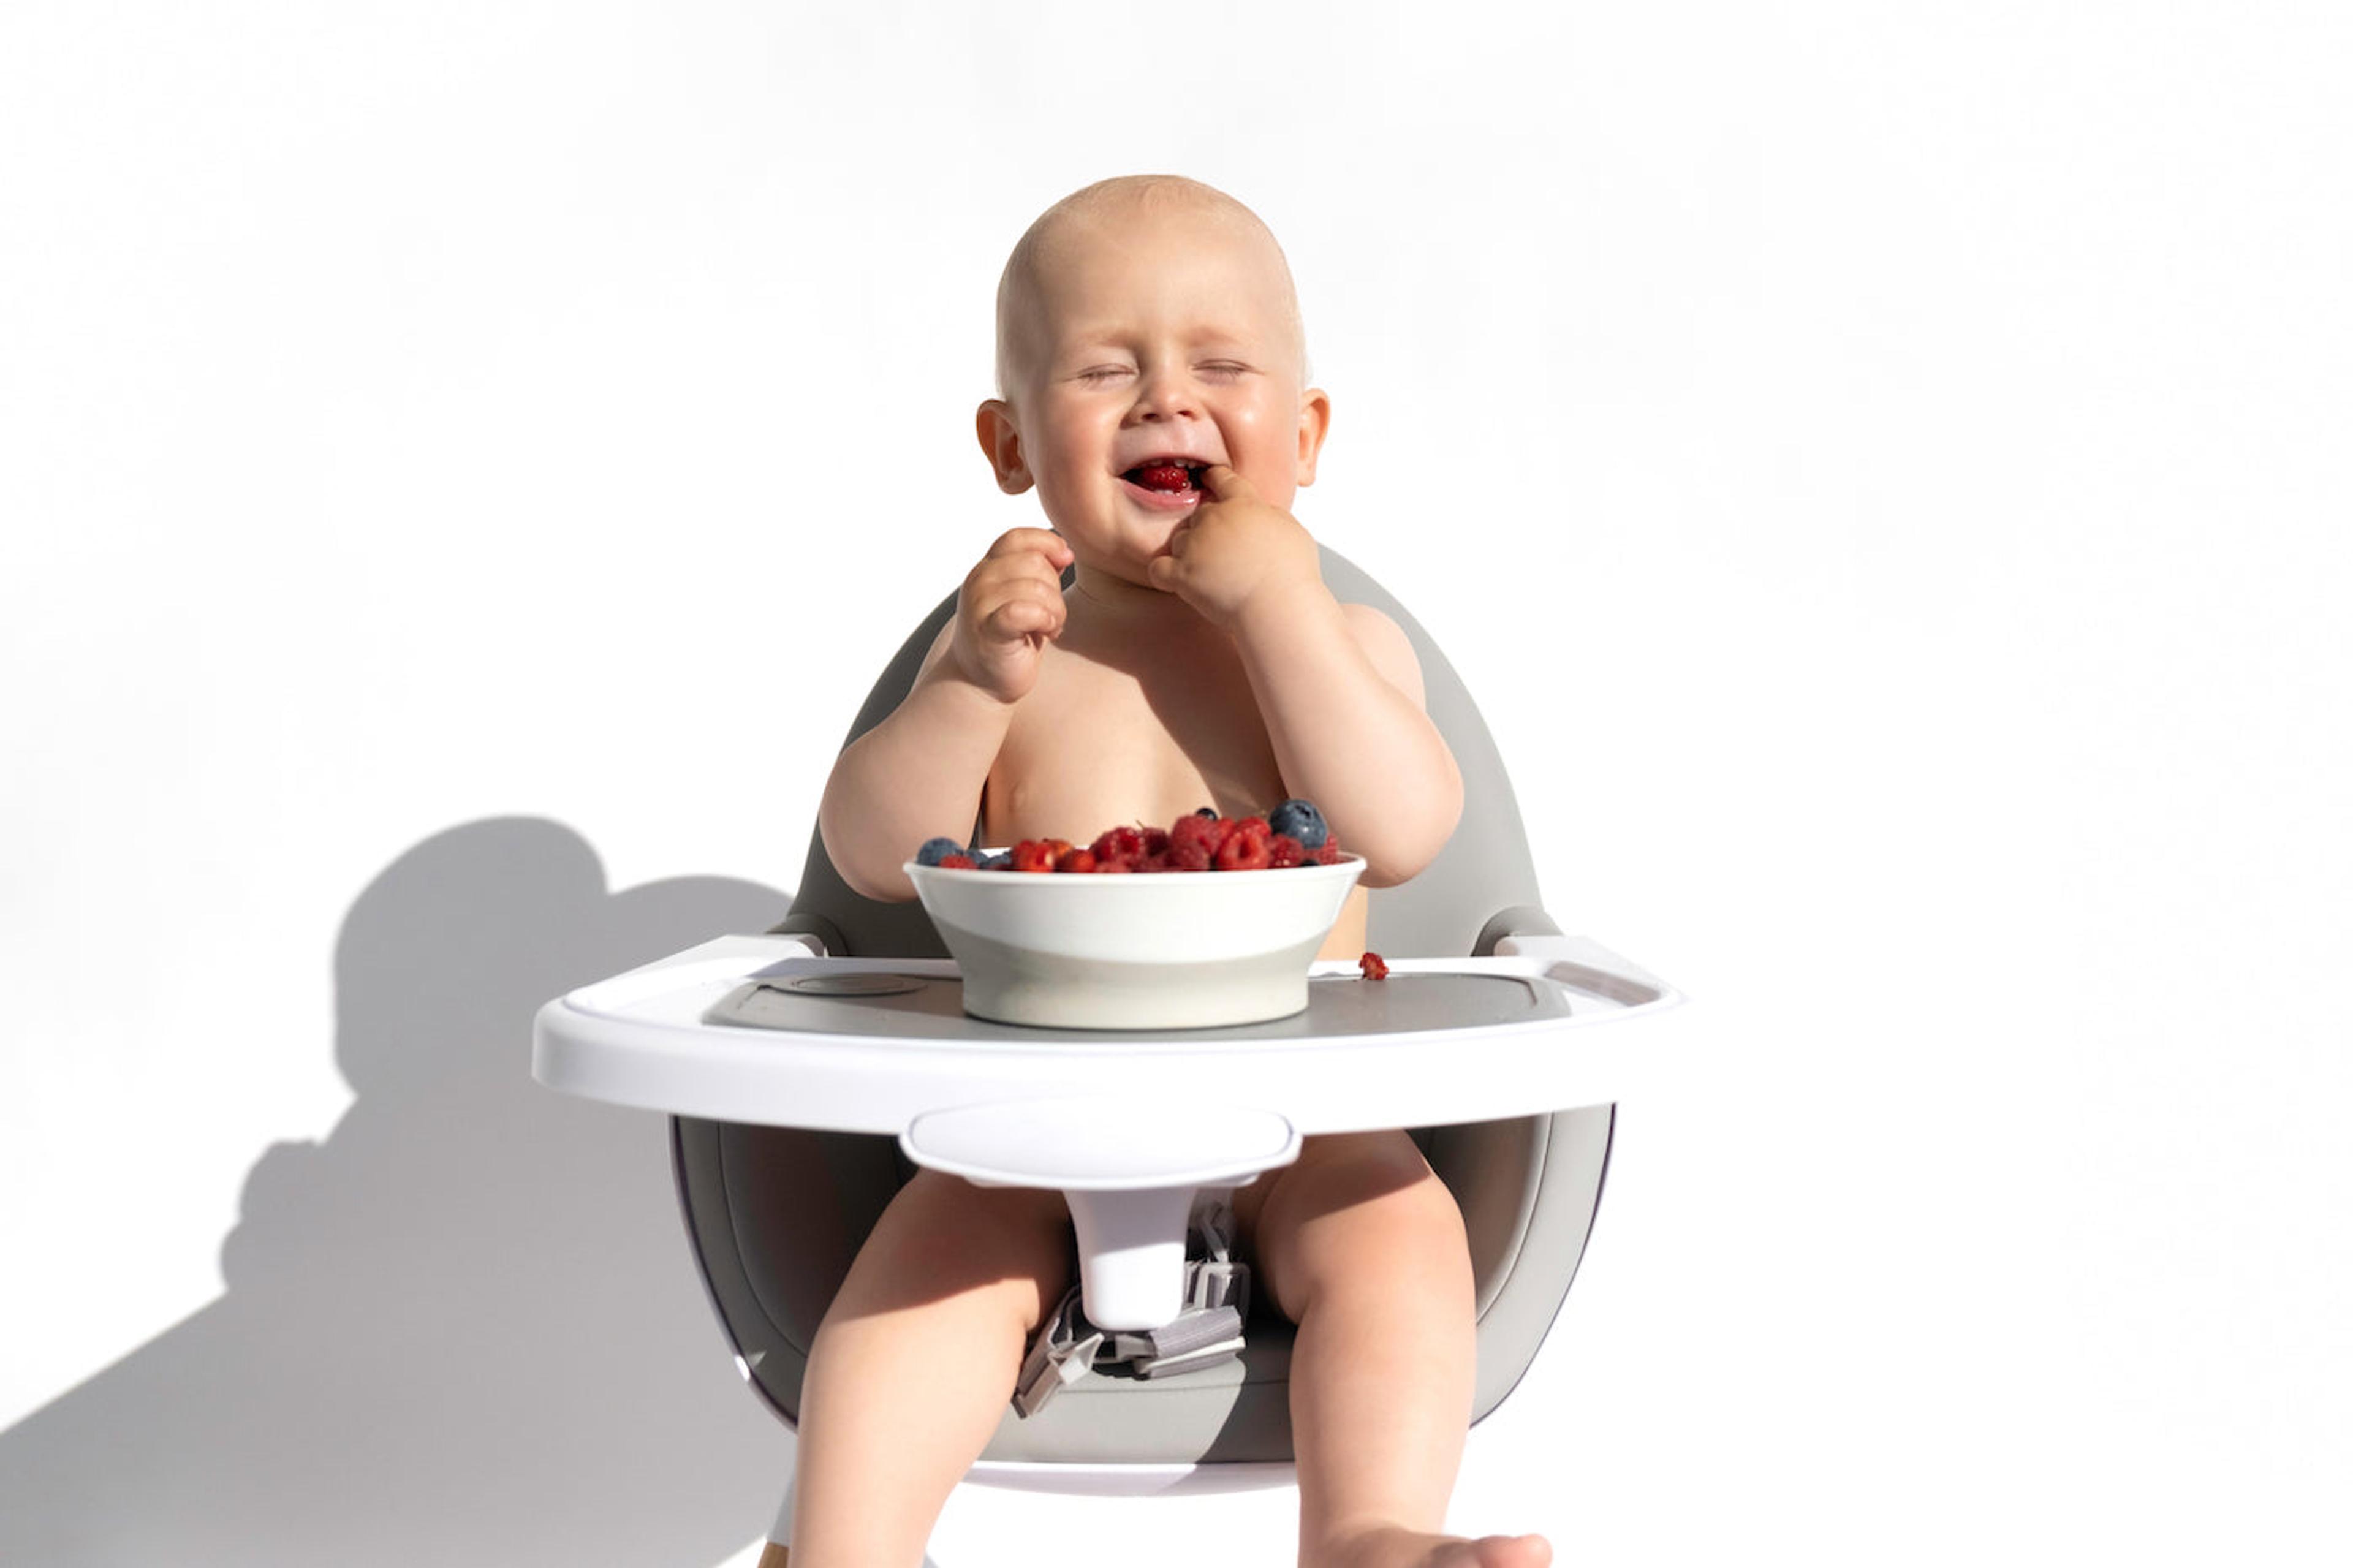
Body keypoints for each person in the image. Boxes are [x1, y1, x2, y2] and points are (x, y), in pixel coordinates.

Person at [776, 176, 1545, 1568]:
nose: (1163, 400)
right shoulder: (1013, 655)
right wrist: (964, 686)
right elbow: (871, 856)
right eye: (1105, 367)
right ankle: (843, 1549)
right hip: (1028, 1128)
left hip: (1304, 1130)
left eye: (1220, 365)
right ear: (1011, 443)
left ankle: (1369, 1534)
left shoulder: (1342, 643)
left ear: (1304, 438)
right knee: (925, 1263)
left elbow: (1412, 822)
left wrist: (1279, 606)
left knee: (1400, 1240)